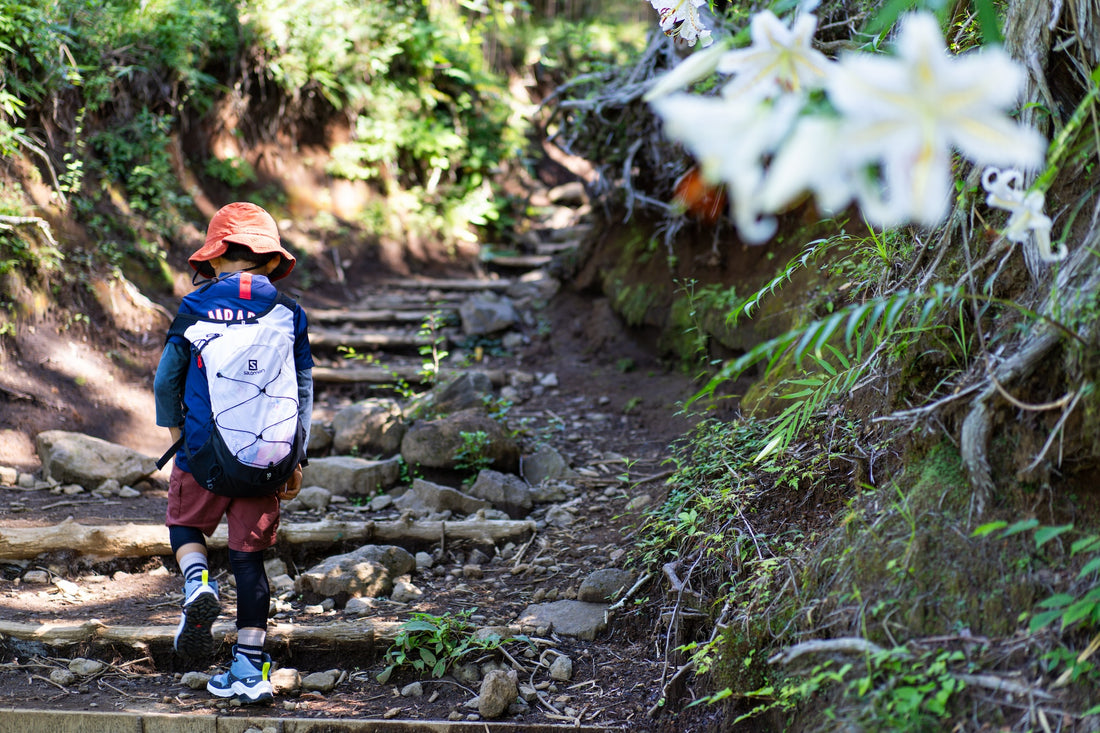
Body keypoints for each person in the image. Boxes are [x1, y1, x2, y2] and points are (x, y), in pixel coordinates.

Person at [153, 202, 313, 704]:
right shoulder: (290, 314)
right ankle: (248, 671)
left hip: (202, 452)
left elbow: (165, 380)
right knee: (250, 563)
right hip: (266, 460)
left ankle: (197, 580)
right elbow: (304, 387)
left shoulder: (195, 307)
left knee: (185, 526)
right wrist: (297, 456)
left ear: (215, 257)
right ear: (270, 261)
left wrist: (176, 428)